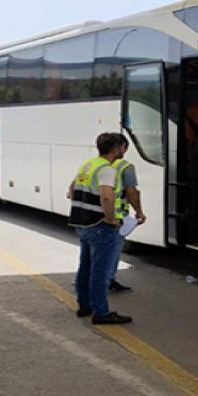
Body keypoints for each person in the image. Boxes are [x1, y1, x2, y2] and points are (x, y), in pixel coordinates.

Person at [67, 133, 133, 325]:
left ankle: (84, 306)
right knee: (101, 273)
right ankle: (101, 313)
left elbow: (71, 190)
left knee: (85, 268)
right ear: (116, 149)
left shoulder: (88, 165)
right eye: (123, 148)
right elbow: (106, 196)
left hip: (82, 224)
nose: (124, 151)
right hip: (100, 226)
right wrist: (111, 218)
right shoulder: (106, 169)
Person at [107, 150, 146, 292]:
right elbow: (131, 191)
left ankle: (85, 280)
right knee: (113, 251)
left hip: (94, 216)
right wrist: (139, 212)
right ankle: (108, 281)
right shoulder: (125, 167)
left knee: (95, 252)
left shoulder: (93, 164)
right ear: (119, 148)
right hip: (115, 217)